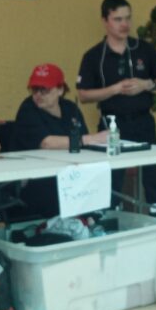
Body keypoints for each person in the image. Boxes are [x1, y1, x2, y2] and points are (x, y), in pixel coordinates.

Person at [77, 0, 156, 229]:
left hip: (143, 121)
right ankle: (111, 226)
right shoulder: (94, 55)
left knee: (154, 174)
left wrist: (146, 84)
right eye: (118, 19)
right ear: (105, 21)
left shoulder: (144, 49)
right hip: (112, 125)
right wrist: (115, 89)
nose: (124, 24)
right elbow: (83, 95)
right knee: (111, 177)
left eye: (128, 18)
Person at [14, 63, 107, 218]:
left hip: (68, 172)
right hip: (37, 178)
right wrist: (91, 139)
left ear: (60, 89)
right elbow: (46, 143)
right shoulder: (27, 109)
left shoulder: (70, 108)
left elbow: (83, 143)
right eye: (34, 89)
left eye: (44, 90)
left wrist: (89, 140)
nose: (38, 95)